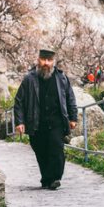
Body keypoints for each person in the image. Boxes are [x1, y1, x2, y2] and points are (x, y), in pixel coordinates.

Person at [14, 49, 78, 190]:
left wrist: (73, 117)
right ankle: (46, 179)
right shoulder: (29, 78)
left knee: (56, 149)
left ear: (53, 62)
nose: (46, 63)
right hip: (36, 122)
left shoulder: (61, 78)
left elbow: (70, 98)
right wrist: (19, 122)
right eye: (43, 60)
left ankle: (55, 178)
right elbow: (19, 101)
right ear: (38, 60)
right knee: (41, 151)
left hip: (57, 122)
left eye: (49, 60)